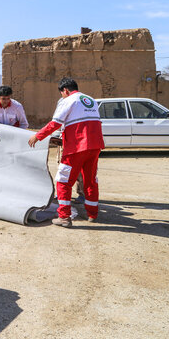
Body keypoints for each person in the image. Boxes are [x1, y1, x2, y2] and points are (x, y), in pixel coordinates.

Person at [28, 77, 105, 227]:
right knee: (90, 180)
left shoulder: (68, 100)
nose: (61, 96)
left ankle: (64, 217)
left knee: (63, 181)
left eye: (61, 93)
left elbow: (55, 123)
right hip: (94, 146)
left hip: (77, 146)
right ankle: (92, 214)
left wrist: (38, 136)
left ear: (65, 90)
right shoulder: (90, 100)